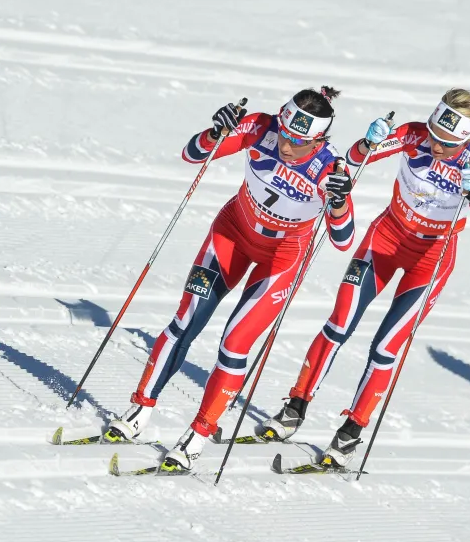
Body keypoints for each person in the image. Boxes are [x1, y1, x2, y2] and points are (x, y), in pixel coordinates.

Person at [102, 87, 356, 472]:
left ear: (319, 139)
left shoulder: (330, 168)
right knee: (184, 322)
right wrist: (214, 131)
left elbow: (342, 240)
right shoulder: (260, 127)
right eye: (285, 135)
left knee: (234, 345)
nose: (287, 147)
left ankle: (198, 436)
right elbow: (193, 154)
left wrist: (338, 201)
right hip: (232, 233)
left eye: (299, 143)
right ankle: (139, 412)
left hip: (281, 257)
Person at [259, 88, 470, 468]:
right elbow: (357, 158)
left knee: (386, 347)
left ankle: (351, 432)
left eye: (449, 143)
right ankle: (295, 407)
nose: (438, 147)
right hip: (386, 239)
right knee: (338, 324)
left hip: (431, 257)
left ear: (468, 137)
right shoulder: (412, 134)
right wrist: (368, 139)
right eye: (436, 137)